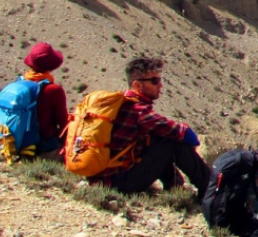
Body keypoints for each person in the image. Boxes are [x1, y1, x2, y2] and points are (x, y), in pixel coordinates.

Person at [90, 56, 209, 197]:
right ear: (137, 85)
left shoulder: (123, 105)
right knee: (173, 144)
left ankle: (175, 186)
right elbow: (177, 131)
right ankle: (210, 188)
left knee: (157, 138)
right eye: (155, 81)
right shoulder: (136, 109)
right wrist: (191, 137)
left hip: (107, 180)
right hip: (118, 183)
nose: (160, 85)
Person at [22, 42, 70, 154]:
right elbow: (64, 124)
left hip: (18, 142)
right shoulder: (53, 90)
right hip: (43, 145)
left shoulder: (20, 83)